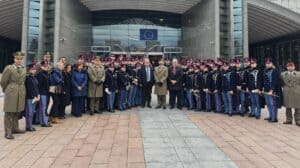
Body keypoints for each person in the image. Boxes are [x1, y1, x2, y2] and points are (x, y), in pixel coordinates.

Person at [1, 52, 26, 139]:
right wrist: (7, 89)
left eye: (20, 59)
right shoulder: (9, 68)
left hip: (21, 92)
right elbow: (3, 81)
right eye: (17, 59)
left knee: (17, 111)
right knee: (9, 112)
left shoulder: (23, 68)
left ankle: (15, 128)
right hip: (11, 91)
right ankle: (8, 132)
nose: (19, 61)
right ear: (14, 59)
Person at [263, 58, 283, 123]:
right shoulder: (265, 70)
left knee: (273, 105)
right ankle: (271, 116)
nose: (267, 64)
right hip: (266, 90)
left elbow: (276, 81)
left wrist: (272, 90)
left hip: (272, 91)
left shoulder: (275, 71)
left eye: (269, 63)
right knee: (268, 104)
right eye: (266, 63)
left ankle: (274, 118)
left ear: (272, 63)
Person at [281, 61, 300, 126]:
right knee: (288, 107)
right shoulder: (282, 74)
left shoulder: (298, 74)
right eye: (289, 66)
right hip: (287, 92)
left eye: (292, 66)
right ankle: (289, 120)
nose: (290, 67)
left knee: (297, 107)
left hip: (296, 91)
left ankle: (298, 120)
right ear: (286, 67)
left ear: (294, 67)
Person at [36, 61, 52, 127]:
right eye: (44, 66)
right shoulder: (40, 74)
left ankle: (39, 120)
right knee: (43, 108)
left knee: (43, 107)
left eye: (47, 66)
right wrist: (39, 94)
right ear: (41, 66)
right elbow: (39, 85)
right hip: (42, 93)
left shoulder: (47, 73)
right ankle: (43, 122)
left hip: (46, 92)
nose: (46, 67)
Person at [25, 63, 40, 132]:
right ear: (29, 70)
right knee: (29, 112)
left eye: (35, 69)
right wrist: (34, 96)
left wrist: (38, 95)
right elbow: (29, 89)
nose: (34, 70)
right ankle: (28, 126)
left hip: (35, 97)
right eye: (33, 69)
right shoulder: (27, 77)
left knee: (32, 112)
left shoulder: (34, 77)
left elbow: (36, 87)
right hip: (30, 97)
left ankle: (30, 125)